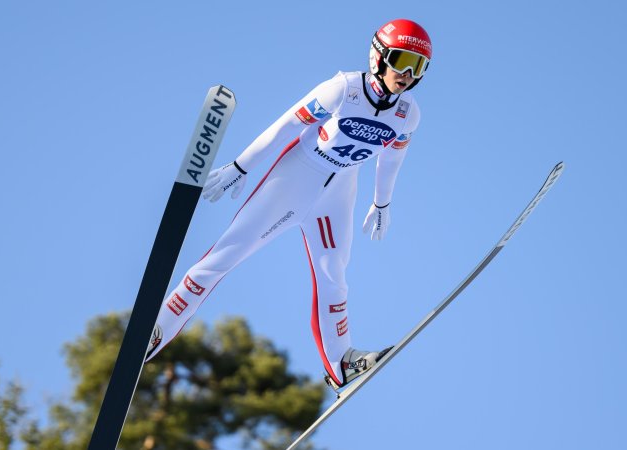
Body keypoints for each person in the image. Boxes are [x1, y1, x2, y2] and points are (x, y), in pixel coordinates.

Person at [145, 19, 432, 389]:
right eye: (402, 59)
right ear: (378, 56)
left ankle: (341, 362)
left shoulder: (408, 114)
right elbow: (285, 126)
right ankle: (154, 332)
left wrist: (381, 204)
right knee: (223, 257)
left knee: (335, 277)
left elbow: (391, 159)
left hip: (339, 190)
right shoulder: (343, 89)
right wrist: (240, 165)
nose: (407, 74)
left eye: (419, 66)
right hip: (297, 178)